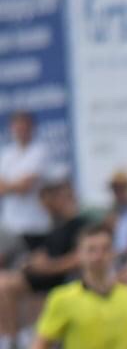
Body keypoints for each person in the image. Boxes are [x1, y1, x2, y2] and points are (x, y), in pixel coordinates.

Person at [0, 176, 86, 349]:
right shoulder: (55, 224)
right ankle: (10, 337)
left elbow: (78, 258)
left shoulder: (80, 224)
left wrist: (50, 267)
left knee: (4, 284)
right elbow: (45, 252)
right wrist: (32, 262)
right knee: (3, 282)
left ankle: (16, 336)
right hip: (42, 275)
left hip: (60, 278)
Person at [1, 110, 52, 259]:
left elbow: (25, 186)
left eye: (24, 125)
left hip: (35, 224)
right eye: (17, 126)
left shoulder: (40, 151)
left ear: (32, 127)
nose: (21, 130)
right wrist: (15, 185)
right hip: (10, 224)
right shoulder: (6, 153)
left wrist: (9, 186)